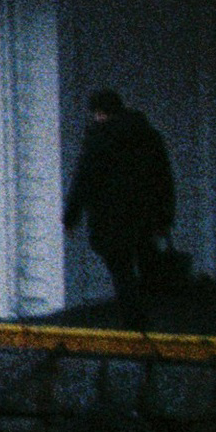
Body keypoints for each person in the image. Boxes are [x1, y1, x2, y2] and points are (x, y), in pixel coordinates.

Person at [63, 88, 176, 313]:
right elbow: (163, 178)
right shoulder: (148, 135)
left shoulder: (99, 139)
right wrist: (165, 216)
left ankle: (134, 323)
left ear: (100, 112)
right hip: (145, 213)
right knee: (147, 259)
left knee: (121, 270)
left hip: (110, 217)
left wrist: (71, 216)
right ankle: (156, 317)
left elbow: (83, 179)